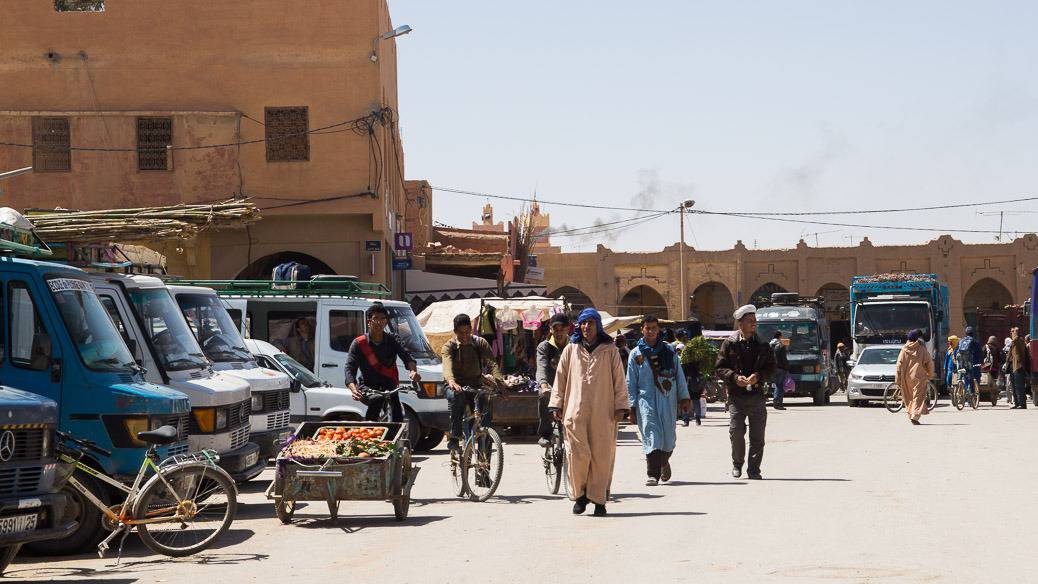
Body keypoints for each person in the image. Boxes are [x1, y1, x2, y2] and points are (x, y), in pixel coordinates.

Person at [549, 308, 629, 516]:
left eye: (591, 323)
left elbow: (619, 380)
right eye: (583, 323)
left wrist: (621, 406)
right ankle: (580, 494)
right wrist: (556, 404)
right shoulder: (571, 349)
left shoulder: (609, 350)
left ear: (598, 326)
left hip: (604, 412)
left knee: (602, 456)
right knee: (577, 454)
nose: (586, 327)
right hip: (575, 410)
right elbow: (561, 379)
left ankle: (599, 500)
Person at [627, 316, 691, 486]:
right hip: (645, 401)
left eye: (654, 328)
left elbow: (679, 375)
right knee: (651, 435)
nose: (651, 331)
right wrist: (631, 407)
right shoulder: (636, 354)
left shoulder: (669, 351)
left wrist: (684, 398)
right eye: (647, 328)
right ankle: (652, 474)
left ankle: (664, 461)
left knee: (669, 438)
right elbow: (630, 382)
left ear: (658, 329)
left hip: (667, 399)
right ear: (642, 329)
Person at [715, 305, 775, 480]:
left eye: (754, 321)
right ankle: (737, 464)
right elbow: (719, 368)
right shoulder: (729, 344)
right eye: (749, 321)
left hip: (757, 395)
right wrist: (734, 377)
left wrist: (758, 376)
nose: (753, 324)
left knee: (757, 435)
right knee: (736, 432)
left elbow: (772, 368)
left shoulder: (763, 344)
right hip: (736, 396)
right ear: (740, 323)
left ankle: (754, 469)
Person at [344, 303, 420, 423]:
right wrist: (353, 389)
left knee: (397, 416)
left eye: (382, 319)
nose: (379, 322)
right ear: (369, 322)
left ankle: (396, 439)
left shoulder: (393, 339)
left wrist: (413, 371)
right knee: (377, 400)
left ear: (386, 322)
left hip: (390, 385)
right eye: (375, 319)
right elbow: (349, 369)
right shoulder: (359, 343)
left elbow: (407, 357)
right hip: (367, 387)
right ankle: (369, 433)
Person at [441, 314, 502, 450]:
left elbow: (492, 364)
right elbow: (447, 365)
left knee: (485, 420)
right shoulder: (448, 346)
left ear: (471, 329)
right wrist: (451, 380)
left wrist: (500, 382)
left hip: (476, 385)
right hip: (455, 386)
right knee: (458, 396)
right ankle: (455, 437)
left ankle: (484, 463)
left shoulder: (480, 343)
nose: (464, 336)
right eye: (461, 333)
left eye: (467, 332)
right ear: (455, 331)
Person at [536, 313, 570, 448]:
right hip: (550, 385)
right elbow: (541, 367)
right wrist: (544, 384)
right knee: (543, 395)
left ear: (568, 330)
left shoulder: (574, 345)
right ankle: (545, 433)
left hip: (569, 384)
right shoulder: (543, 347)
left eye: (562, 329)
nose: (559, 333)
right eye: (556, 329)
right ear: (551, 330)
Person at [895, 329, 934, 425]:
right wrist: (930, 374)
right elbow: (929, 363)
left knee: (908, 397)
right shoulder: (921, 349)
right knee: (918, 397)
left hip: (906, 378)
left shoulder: (903, 349)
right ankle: (915, 416)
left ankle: (911, 414)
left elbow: (899, 365)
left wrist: (898, 379)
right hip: (919, 377)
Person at [681, 333, 718, 426]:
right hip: (697, 383)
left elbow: (683, 373)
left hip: (688, 382)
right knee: (696, 400)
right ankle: (697, 419)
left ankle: (686, 420)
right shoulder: (701, 362)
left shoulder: (686, 362)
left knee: (686, 401)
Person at [1008, 327, 1030, 410]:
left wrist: (1015, 333)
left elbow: (1016, 340)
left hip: (1019, 366)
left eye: (1012, 332)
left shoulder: (1019, 341)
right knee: (1014, 387)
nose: (1011, 333)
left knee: (1019, 386)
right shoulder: (1014, 342)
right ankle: (1017, 403)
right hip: (1013, 367)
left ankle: (1022, 404)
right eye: (1011, 332)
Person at [957, 326, 982, 397]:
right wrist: (982, 362)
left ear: (966, 333)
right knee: (974, 378)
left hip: (962, 362)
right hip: (974, 363)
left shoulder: (961, 341)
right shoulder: (975, 341)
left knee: (966, 377)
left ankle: (963, 390)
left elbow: (956, 352)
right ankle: (972, 394)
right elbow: (980, 353)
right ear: (973, 333)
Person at [769, 331, 789, 410]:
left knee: (776, 384)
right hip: (780, 368)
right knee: (779, 385)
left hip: (772, 368)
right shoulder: (781, 345)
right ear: (780, 336)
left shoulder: (769, 345)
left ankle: (776, 401)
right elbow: (784, 359)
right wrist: (787, 368)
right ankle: (778, 403)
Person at [984, 335, 1003, 403]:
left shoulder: (985, 347)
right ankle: (994, 395)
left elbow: (981, 356)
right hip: (994, 368)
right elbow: (1000, 359)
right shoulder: (996, 348)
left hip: (985, 368)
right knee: (994, 382)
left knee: (985, 382)